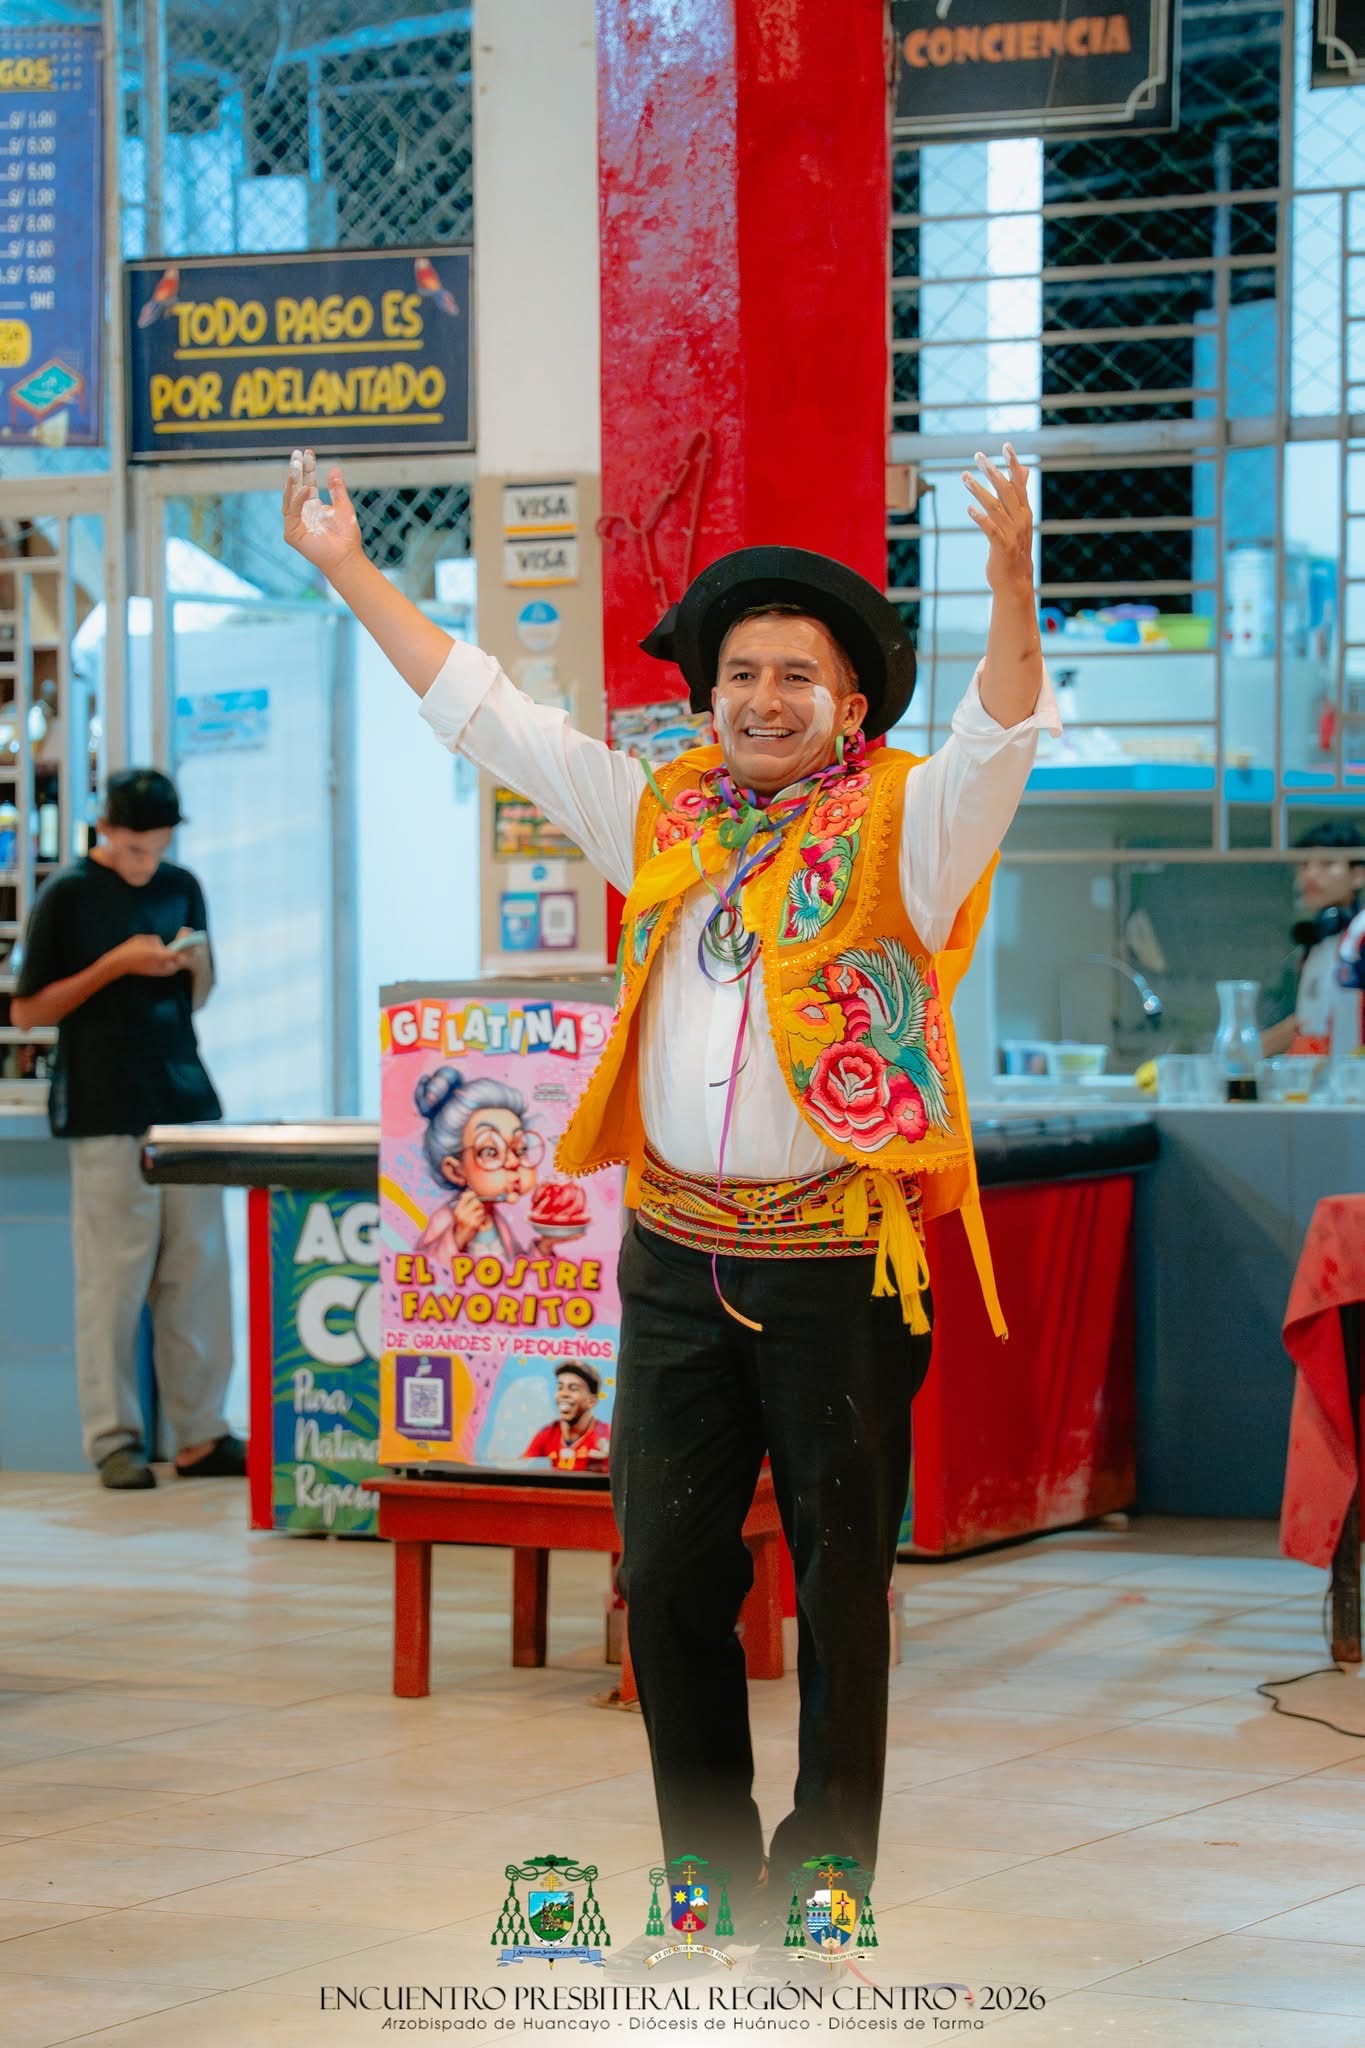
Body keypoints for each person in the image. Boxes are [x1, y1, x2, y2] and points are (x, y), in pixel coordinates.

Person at [283, 442, 1056, 1928]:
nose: (765, 697)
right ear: (708, 696)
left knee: (840, 1583)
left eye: (798, 675)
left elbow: (1002, 733)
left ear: (850, 702)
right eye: (741, 673)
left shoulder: (908, 826)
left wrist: (1013, 579)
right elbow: (489, 713)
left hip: (839, 1263)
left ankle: (824, 1879)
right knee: (667, 1568)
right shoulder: (660, 813)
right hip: (673, 1259)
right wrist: (348, 566)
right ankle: (702, 1872)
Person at [11, 768, 244, 1491]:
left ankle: (201, 1434)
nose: (147, 860)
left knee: (197, 1277)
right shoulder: (68, 894)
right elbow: (27, 1012)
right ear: (105, 829)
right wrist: (116, 965)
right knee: (112, 1285)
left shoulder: (183, 885)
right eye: (135, 847)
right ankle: (114, 1438)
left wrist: (188, 965)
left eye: (159, 845)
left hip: (184, 1102)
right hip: (105, 1108)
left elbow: (196, 998)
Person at [1262, 821, 1365, 1057]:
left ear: (1358, 875)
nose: (1311, 875)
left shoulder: (1361, 935)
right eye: (1304, 865)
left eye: (1327, 863)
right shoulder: (1317, 944)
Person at [522, 1360, 611, 1471]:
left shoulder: (608, 1436)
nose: (563, 1394)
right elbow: (523, 1472)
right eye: (560, 1388)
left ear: (591, 1401)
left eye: (573, 1388)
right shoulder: (546, 1435)